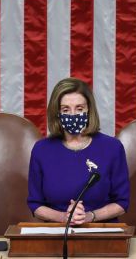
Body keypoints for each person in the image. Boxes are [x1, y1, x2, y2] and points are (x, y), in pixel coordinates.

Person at [27, 77, 130, 225]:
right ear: (57, 113)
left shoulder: (112, 147)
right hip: (57, 234)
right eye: (66, 109)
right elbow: (35, 204)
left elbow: (122, 202)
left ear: (89, 111)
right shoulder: (41, 150)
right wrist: (64, 217)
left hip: (103, 234)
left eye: (79, 109)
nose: (73, 115)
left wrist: (89, 216)